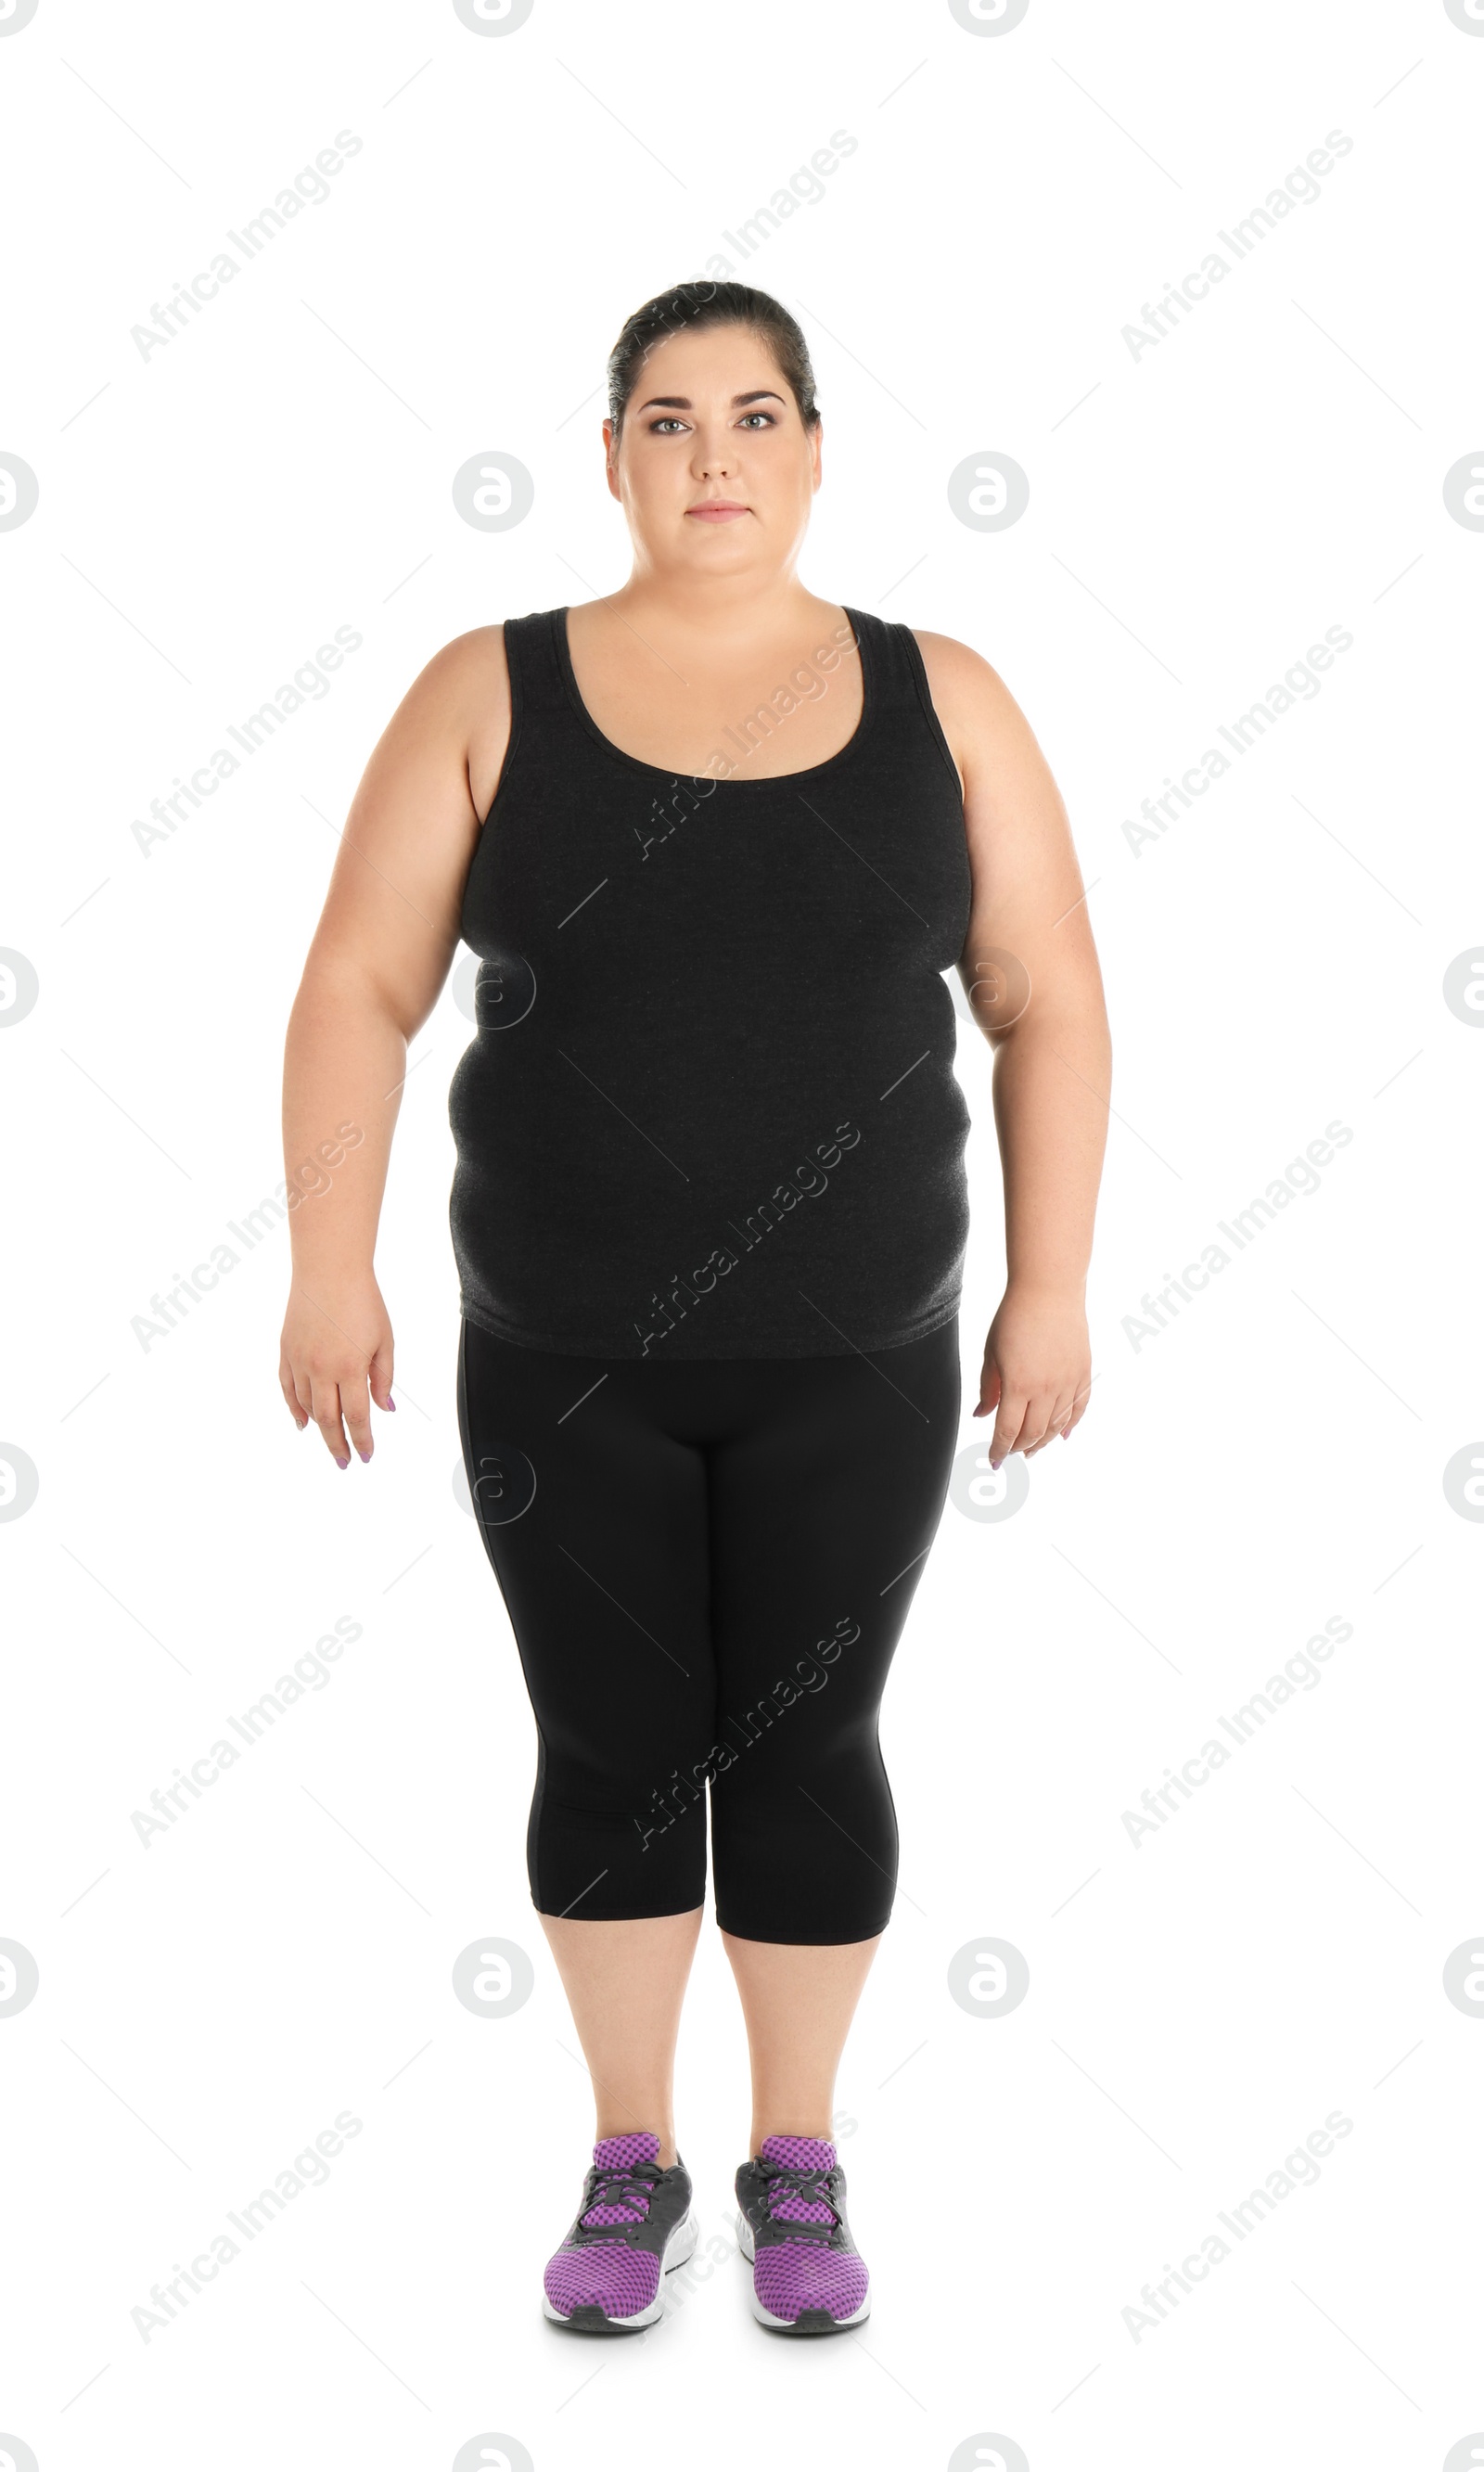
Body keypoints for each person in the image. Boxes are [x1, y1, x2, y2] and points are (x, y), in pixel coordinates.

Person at [278, 280, 1110, 2338]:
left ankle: (801, 2155)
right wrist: (325, 1263)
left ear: (815, 450)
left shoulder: (951, 698)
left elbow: (1046, 1003)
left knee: (806, 1740)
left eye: (752, 415)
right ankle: (629, 2156)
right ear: (614, 457)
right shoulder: (491, 688)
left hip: (859, 1356)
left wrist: (1053, 1283)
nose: (713, 454)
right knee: (616, 1745)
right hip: (566, 1359)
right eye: (668, 419)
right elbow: (356, 988)